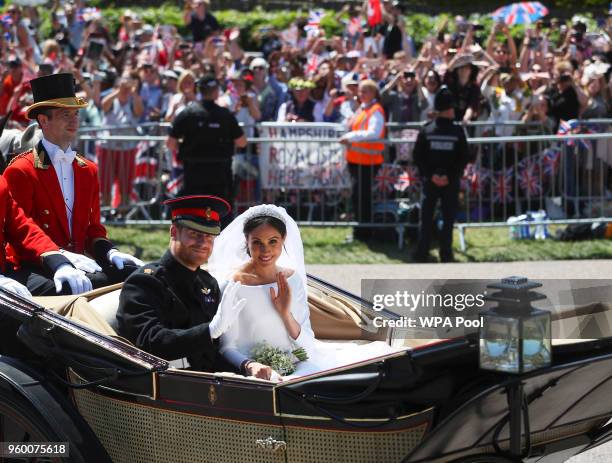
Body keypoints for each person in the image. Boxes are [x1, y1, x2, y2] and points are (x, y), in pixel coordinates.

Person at [208, 204, 398, 380]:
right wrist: (250, 365)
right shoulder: (232, 285)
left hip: (297, 362)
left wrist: (285, 314)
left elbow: (306, 346)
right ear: (246, 241)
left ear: (283, 240)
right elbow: (227, 347)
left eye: (273, 241)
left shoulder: (293, 279)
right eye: (257, 242)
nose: (265, 250)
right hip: (253, 372)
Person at [3, 73, 143, 295]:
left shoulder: (88, 170)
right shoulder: (21, 170)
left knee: (136, 276)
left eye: (76, 114)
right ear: (43, 120)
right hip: (37, 265)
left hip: (80, 265)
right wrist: (60, 259)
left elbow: (93, 230)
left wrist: (110, 252)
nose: (74, 120)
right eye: (65, 114)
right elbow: (21, 233)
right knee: (69, 288)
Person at [116, 195, 246, 372]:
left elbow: (213, 354)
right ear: (173, 232)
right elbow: (150, 342)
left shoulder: (208, 283)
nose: (203, 243)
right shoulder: (144, 283)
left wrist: (247, 366)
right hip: (165, 385)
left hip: (206, 382)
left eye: (209, 237)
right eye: (195, 234)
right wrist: (208, 331)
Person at [167, 74, 247, 208]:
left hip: (194, 173)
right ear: (216, 92)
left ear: (198, 90)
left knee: (194, 212)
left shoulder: (187, 113)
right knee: (220, 212)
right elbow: (242, 142)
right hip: (220, 173)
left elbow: (170, 143)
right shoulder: (225, 115)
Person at [413, 87, 470, 263]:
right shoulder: (457, 131)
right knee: (448, 219)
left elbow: (418, 157)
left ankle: (422, 253)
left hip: (431, 181)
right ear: (448, 109)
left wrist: (431, 176)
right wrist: (449, 177)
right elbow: (464, 158)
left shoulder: (426, 130)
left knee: (426, 218)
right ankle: (446, 253)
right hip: (449, 182)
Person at [338, 79, 386, 241]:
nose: (361, 94)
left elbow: (374, 132)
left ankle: (364, 233)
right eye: (361, 91)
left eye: (365, 91)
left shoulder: (375, 110)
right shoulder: (362, 109)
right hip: (357, 161)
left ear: (373, 93)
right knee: (357, 198)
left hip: (368, 162)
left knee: (362, 199)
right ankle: (360, 231)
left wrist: (350, 137)